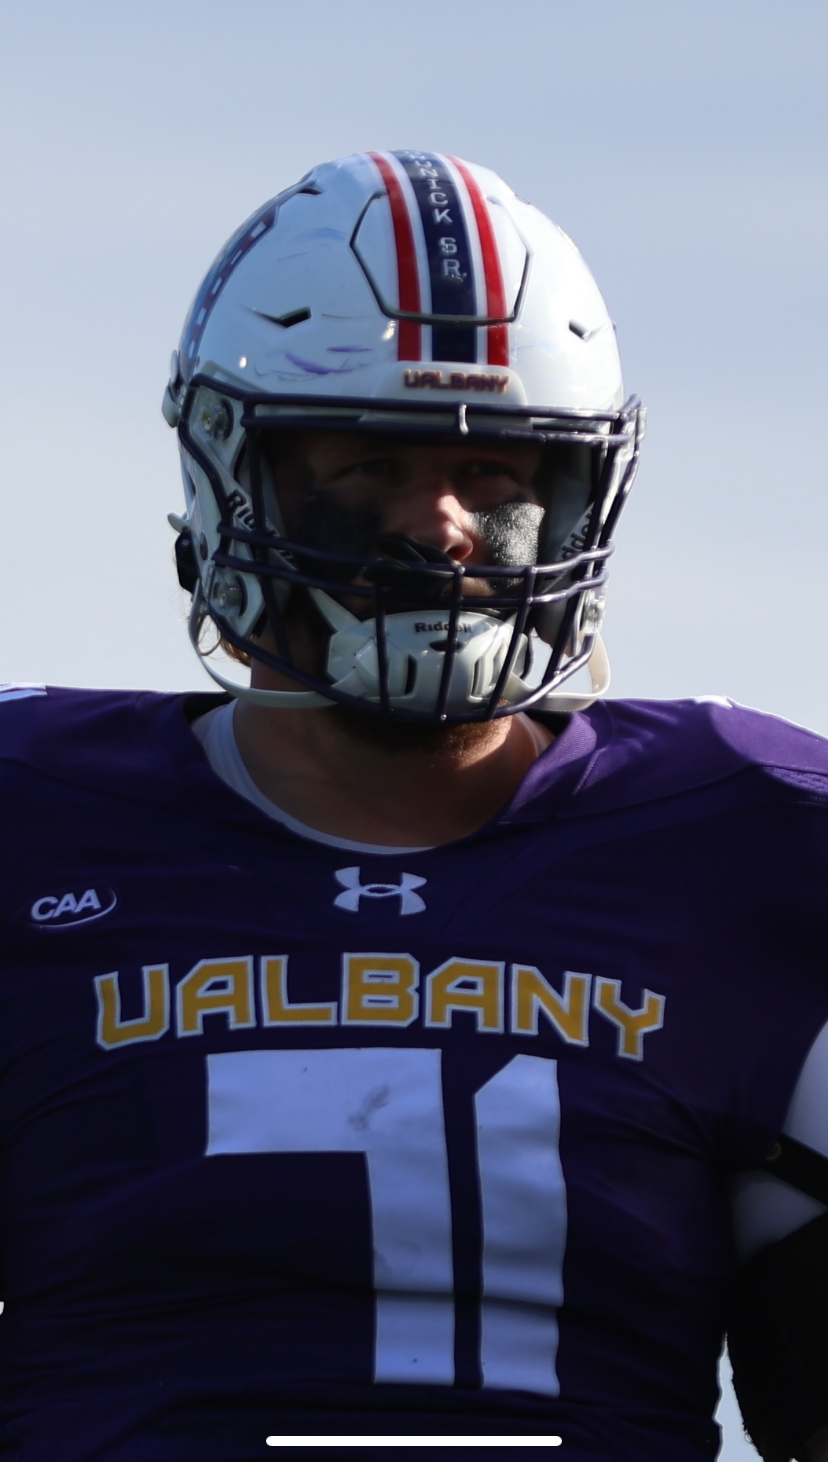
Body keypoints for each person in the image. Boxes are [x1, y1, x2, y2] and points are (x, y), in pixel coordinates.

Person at [2, 148, 828, 1462]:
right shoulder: (31, 817)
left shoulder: (766, 839)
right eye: (365, 464)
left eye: (495, 471)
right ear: (234, 477)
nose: (439, 525)